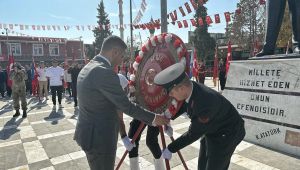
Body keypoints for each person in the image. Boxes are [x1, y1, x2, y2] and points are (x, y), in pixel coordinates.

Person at [73, 35, 169, 170]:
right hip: (100, 139)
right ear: (115, 52)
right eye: (122, 56)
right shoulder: (104, 72)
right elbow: (126, 106)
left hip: (90, 134)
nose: (121, 61)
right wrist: (154, 118)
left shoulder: (89, 67)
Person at [154, 63, 245, 170]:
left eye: (171, 92)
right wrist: (168, 116)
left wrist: (170, 148)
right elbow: (184, 104)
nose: (170, 95)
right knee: (202, 164)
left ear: (181, 88)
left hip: (228, 133)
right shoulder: (190, 88)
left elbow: (193, 133)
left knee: (215, 166)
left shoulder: (205, 103)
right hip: (212, 128)